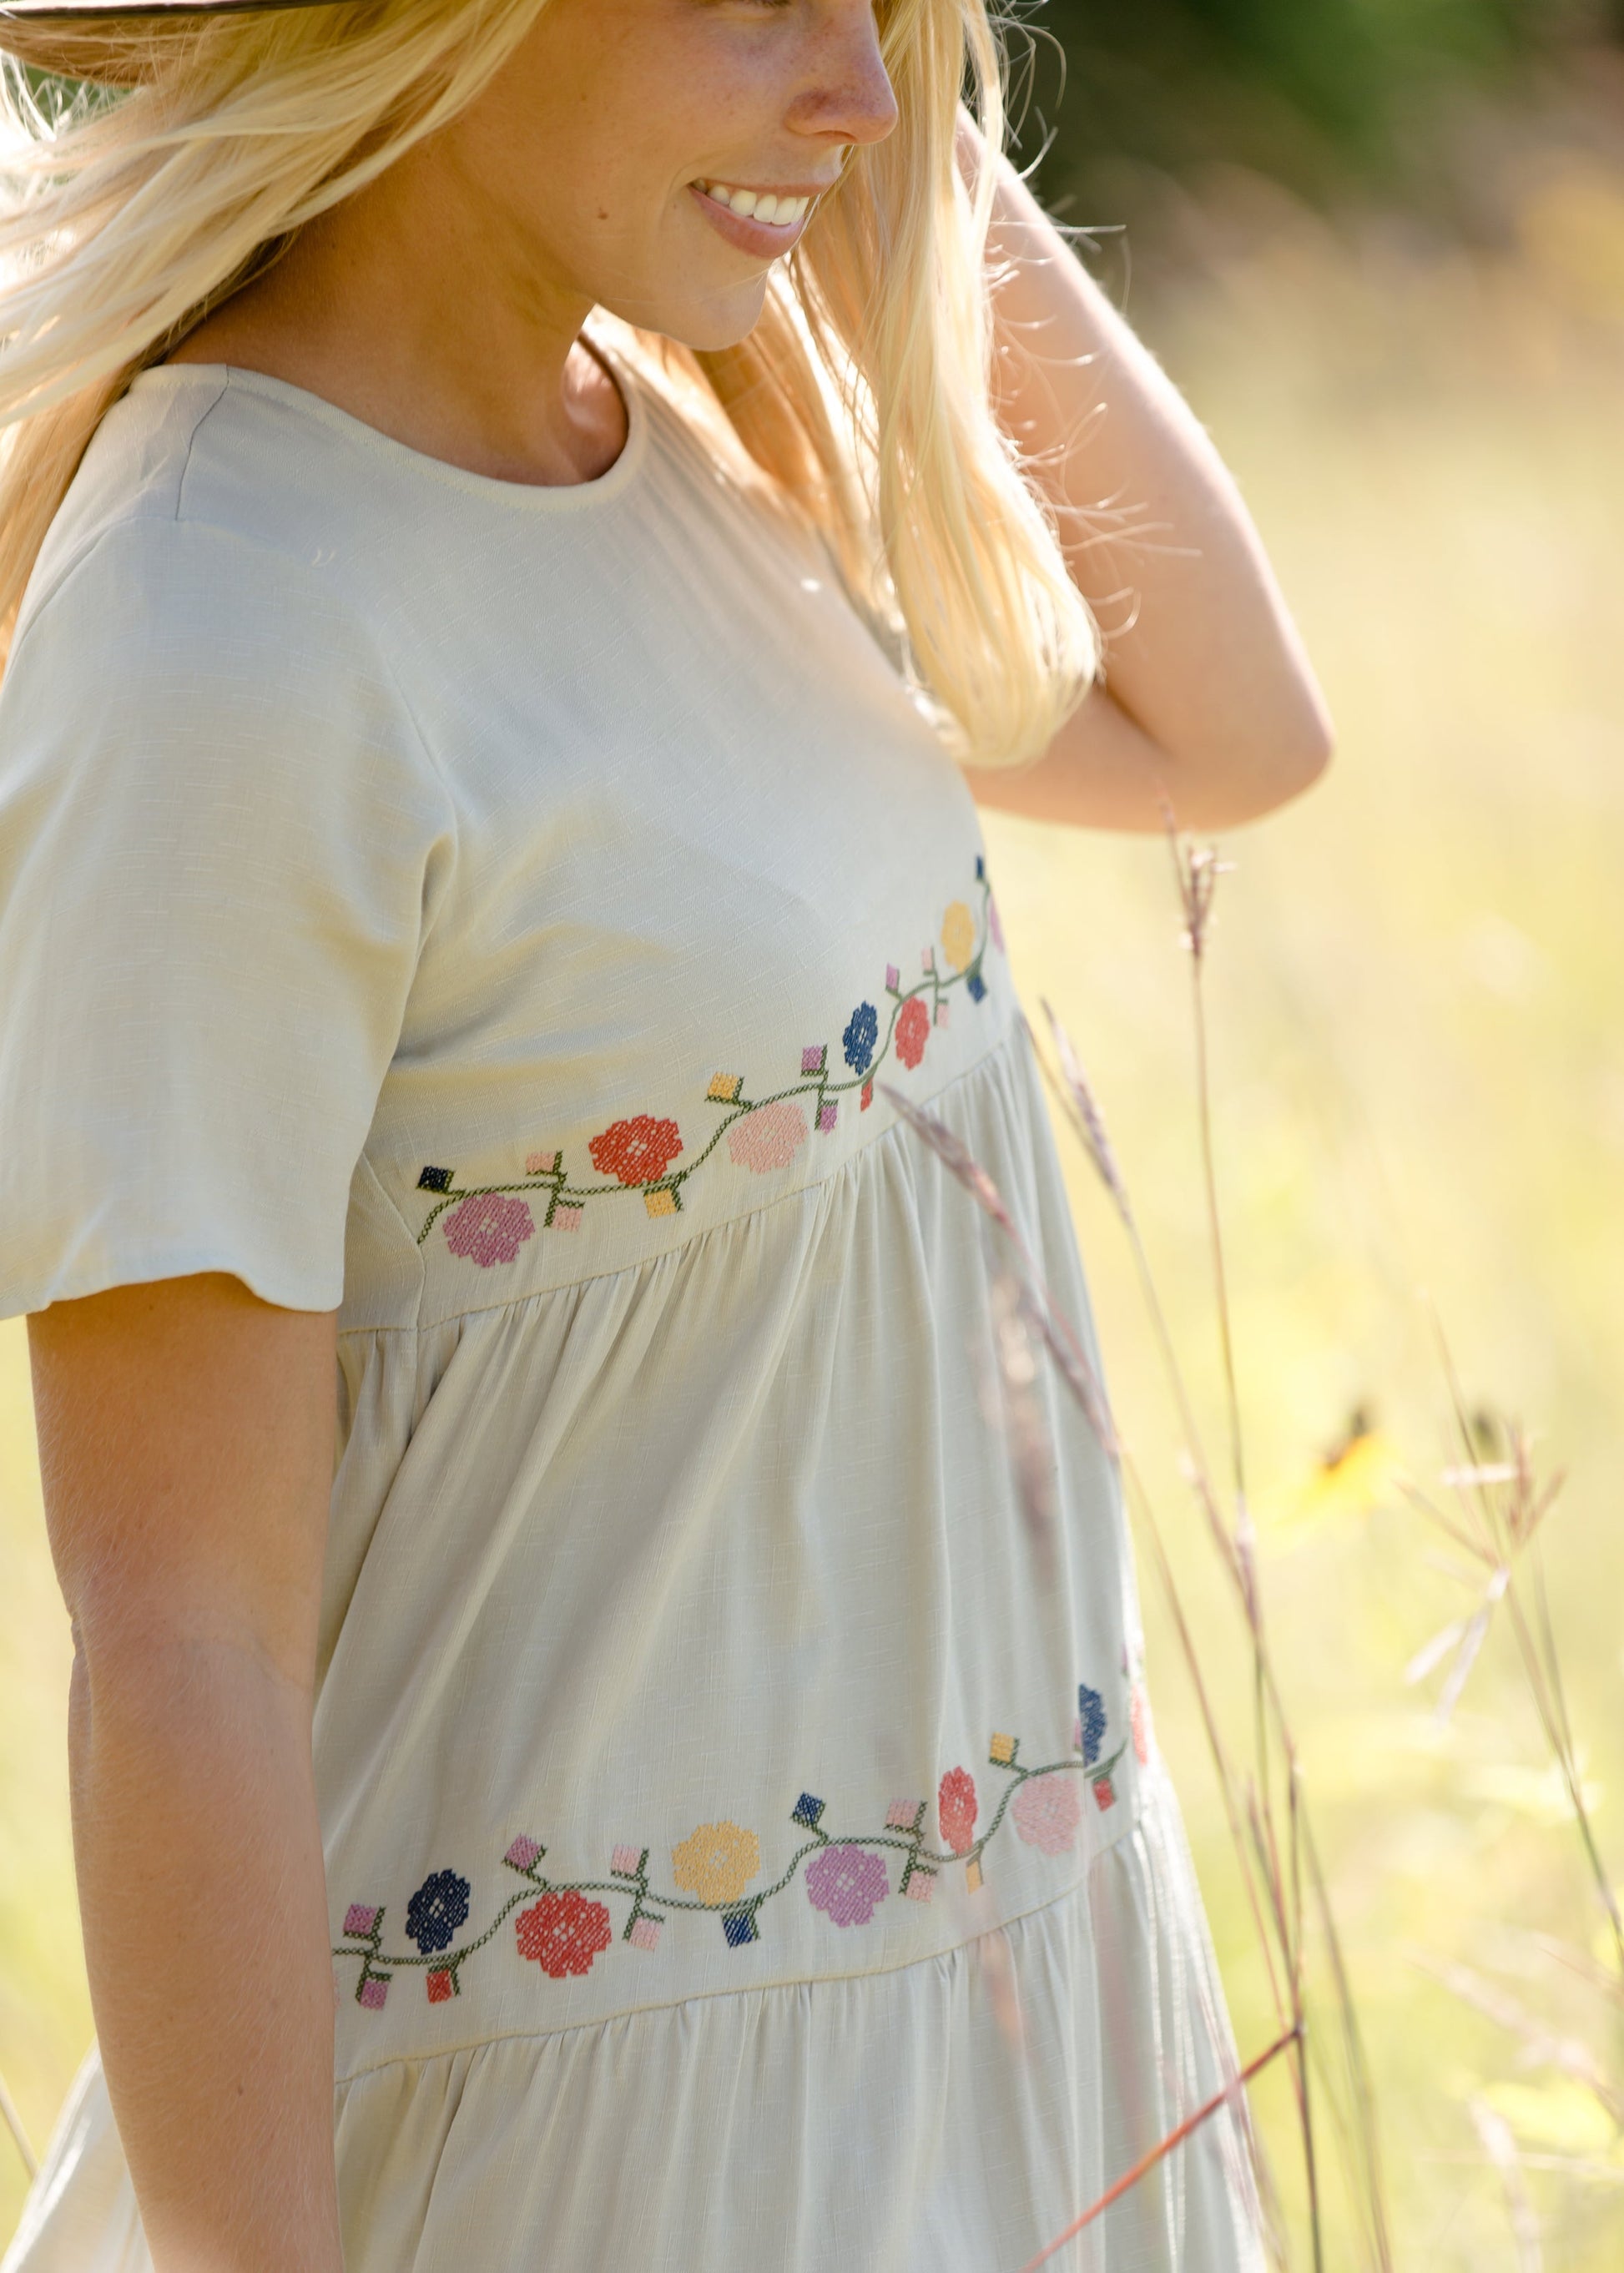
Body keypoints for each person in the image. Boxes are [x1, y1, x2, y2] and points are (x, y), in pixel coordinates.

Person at [0, 3, 1331, 2268]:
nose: (861, 86)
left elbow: (1224, 722)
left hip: (1005, 2047)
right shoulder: (218, 621)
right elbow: (175, 1627)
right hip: (621, 2166)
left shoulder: (671, 435)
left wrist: (869, 182)